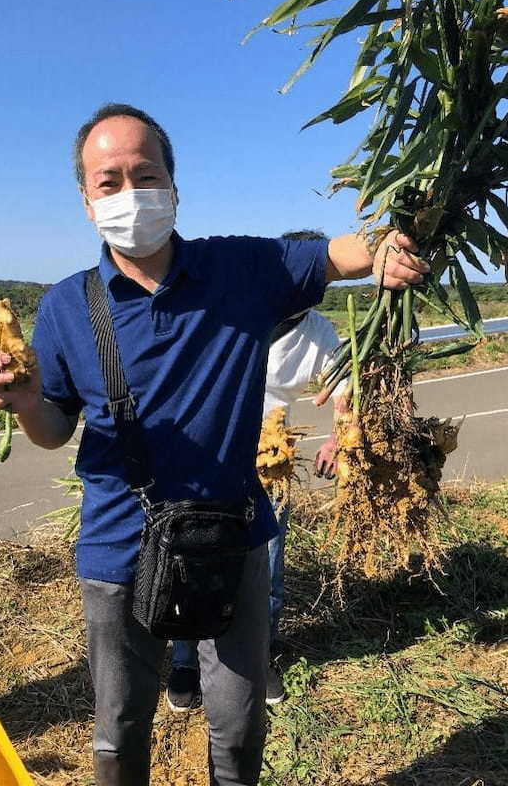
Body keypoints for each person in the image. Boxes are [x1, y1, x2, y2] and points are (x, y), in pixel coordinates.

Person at [0, 103, 428, 786]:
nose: (130, 194)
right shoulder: (68, 306)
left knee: (240, 720)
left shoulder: (241, 269)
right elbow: (55, 429)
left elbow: (336, 256)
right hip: (117, 546)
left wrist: (387, 246)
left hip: (235, 536)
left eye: (144, 174)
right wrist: (29, 401)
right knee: (120, 723)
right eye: (109, 181)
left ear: (174, 186)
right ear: (86, 200)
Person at [166, 230, 348, 711]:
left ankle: (257, 654)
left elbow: (342, 384)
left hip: (272, 457)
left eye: (319, 277)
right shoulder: (234, 307)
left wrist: (337, 435)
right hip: (208, 448)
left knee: (266, 564)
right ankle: (185, 658)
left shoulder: (319, 332)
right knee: (191, 555)